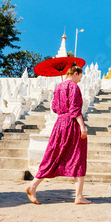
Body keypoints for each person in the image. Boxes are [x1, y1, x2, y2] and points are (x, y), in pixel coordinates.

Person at [25, 62, 91, 204]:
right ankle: (78, 196)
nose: (80, 79)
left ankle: (33, 185)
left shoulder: (58, 87)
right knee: (79, 157)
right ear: (75, 73)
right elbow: (75, 109)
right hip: (72, 124)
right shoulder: (73, 86)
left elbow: (54, 108)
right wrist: (82, 126)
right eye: (80, 76)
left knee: (52, 156)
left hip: (59, 123)